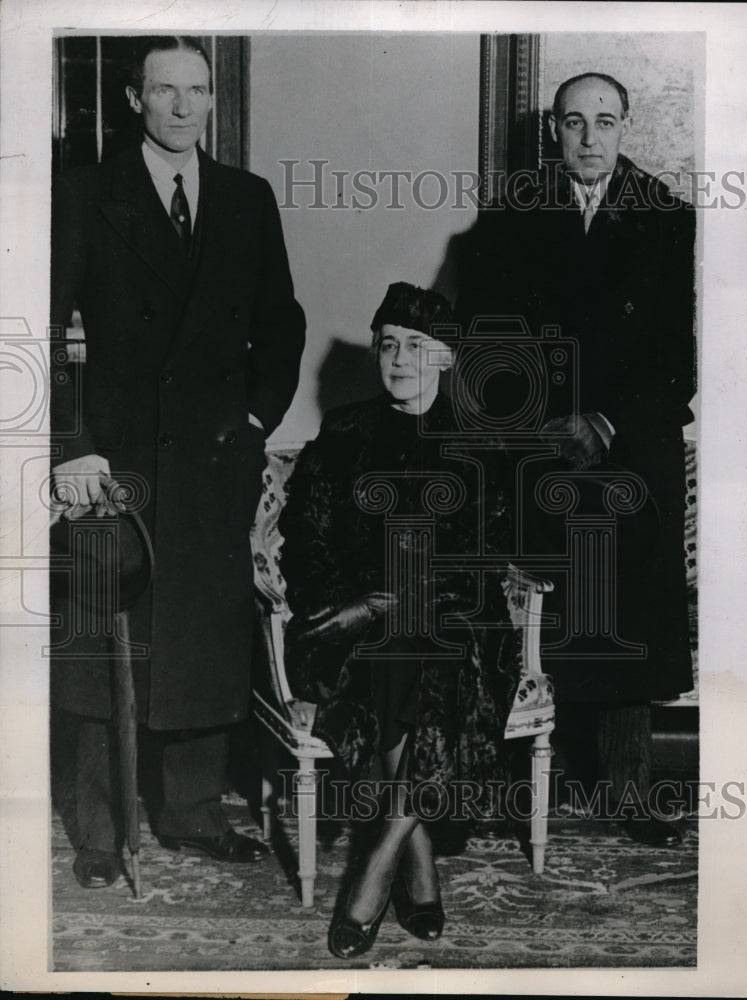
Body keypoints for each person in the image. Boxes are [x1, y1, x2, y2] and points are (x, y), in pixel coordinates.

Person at [49, 35, 306, 887]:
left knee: (200, 633)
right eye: (165, 91)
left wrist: (257, 416)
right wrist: (72, 445)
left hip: (210, 458)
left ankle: (193, 815)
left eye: (197, 90)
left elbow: (282, 323)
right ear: (135, 100)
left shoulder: (246, 197)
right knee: (100, 638)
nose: (184, 106)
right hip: (110, 466)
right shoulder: (84, 194)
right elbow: (39, 331)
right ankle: (98, 828)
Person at [457, 72, 696, 847]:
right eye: (572, 123)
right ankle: (528, 774)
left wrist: (604, 419)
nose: (588, 138)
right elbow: (483, 343)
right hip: (538, 439)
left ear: (625, 126)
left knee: (624, 604)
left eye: (603, 121)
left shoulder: (664, 218)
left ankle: (627, 785)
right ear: (551, 132)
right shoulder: (509, 219)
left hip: (627, 442)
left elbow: (674, 359)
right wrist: (538, 420)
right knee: (540, 601)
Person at [279, 283, 521, 959]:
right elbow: (307, 538)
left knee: (426, 646)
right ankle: (417, 863)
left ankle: (377, 862)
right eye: (387, 343)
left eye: (416, 345)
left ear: (446, 360)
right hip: (350, 628)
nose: (398, 357)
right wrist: (351, 606)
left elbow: (482, 555)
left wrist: (388, 601)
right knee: (397, 652)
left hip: (462, 624)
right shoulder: (347, 430)